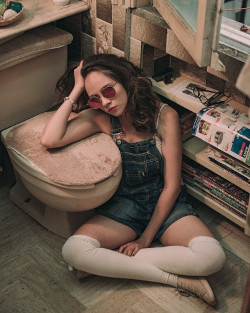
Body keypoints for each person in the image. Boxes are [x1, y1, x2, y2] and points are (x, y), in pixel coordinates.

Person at [40, 53, 226, 307]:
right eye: (95, 99)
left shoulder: (164, 116)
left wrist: (144, 241)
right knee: (73, 250)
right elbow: (50, 140)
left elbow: (172, 186)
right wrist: (77, 90)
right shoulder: (102, 118)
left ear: (125, 80)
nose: (105, 102)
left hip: (166, 203)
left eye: (108, 90)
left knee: (212, 257)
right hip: (126, 207)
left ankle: (108, 264)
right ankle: (178, 281)